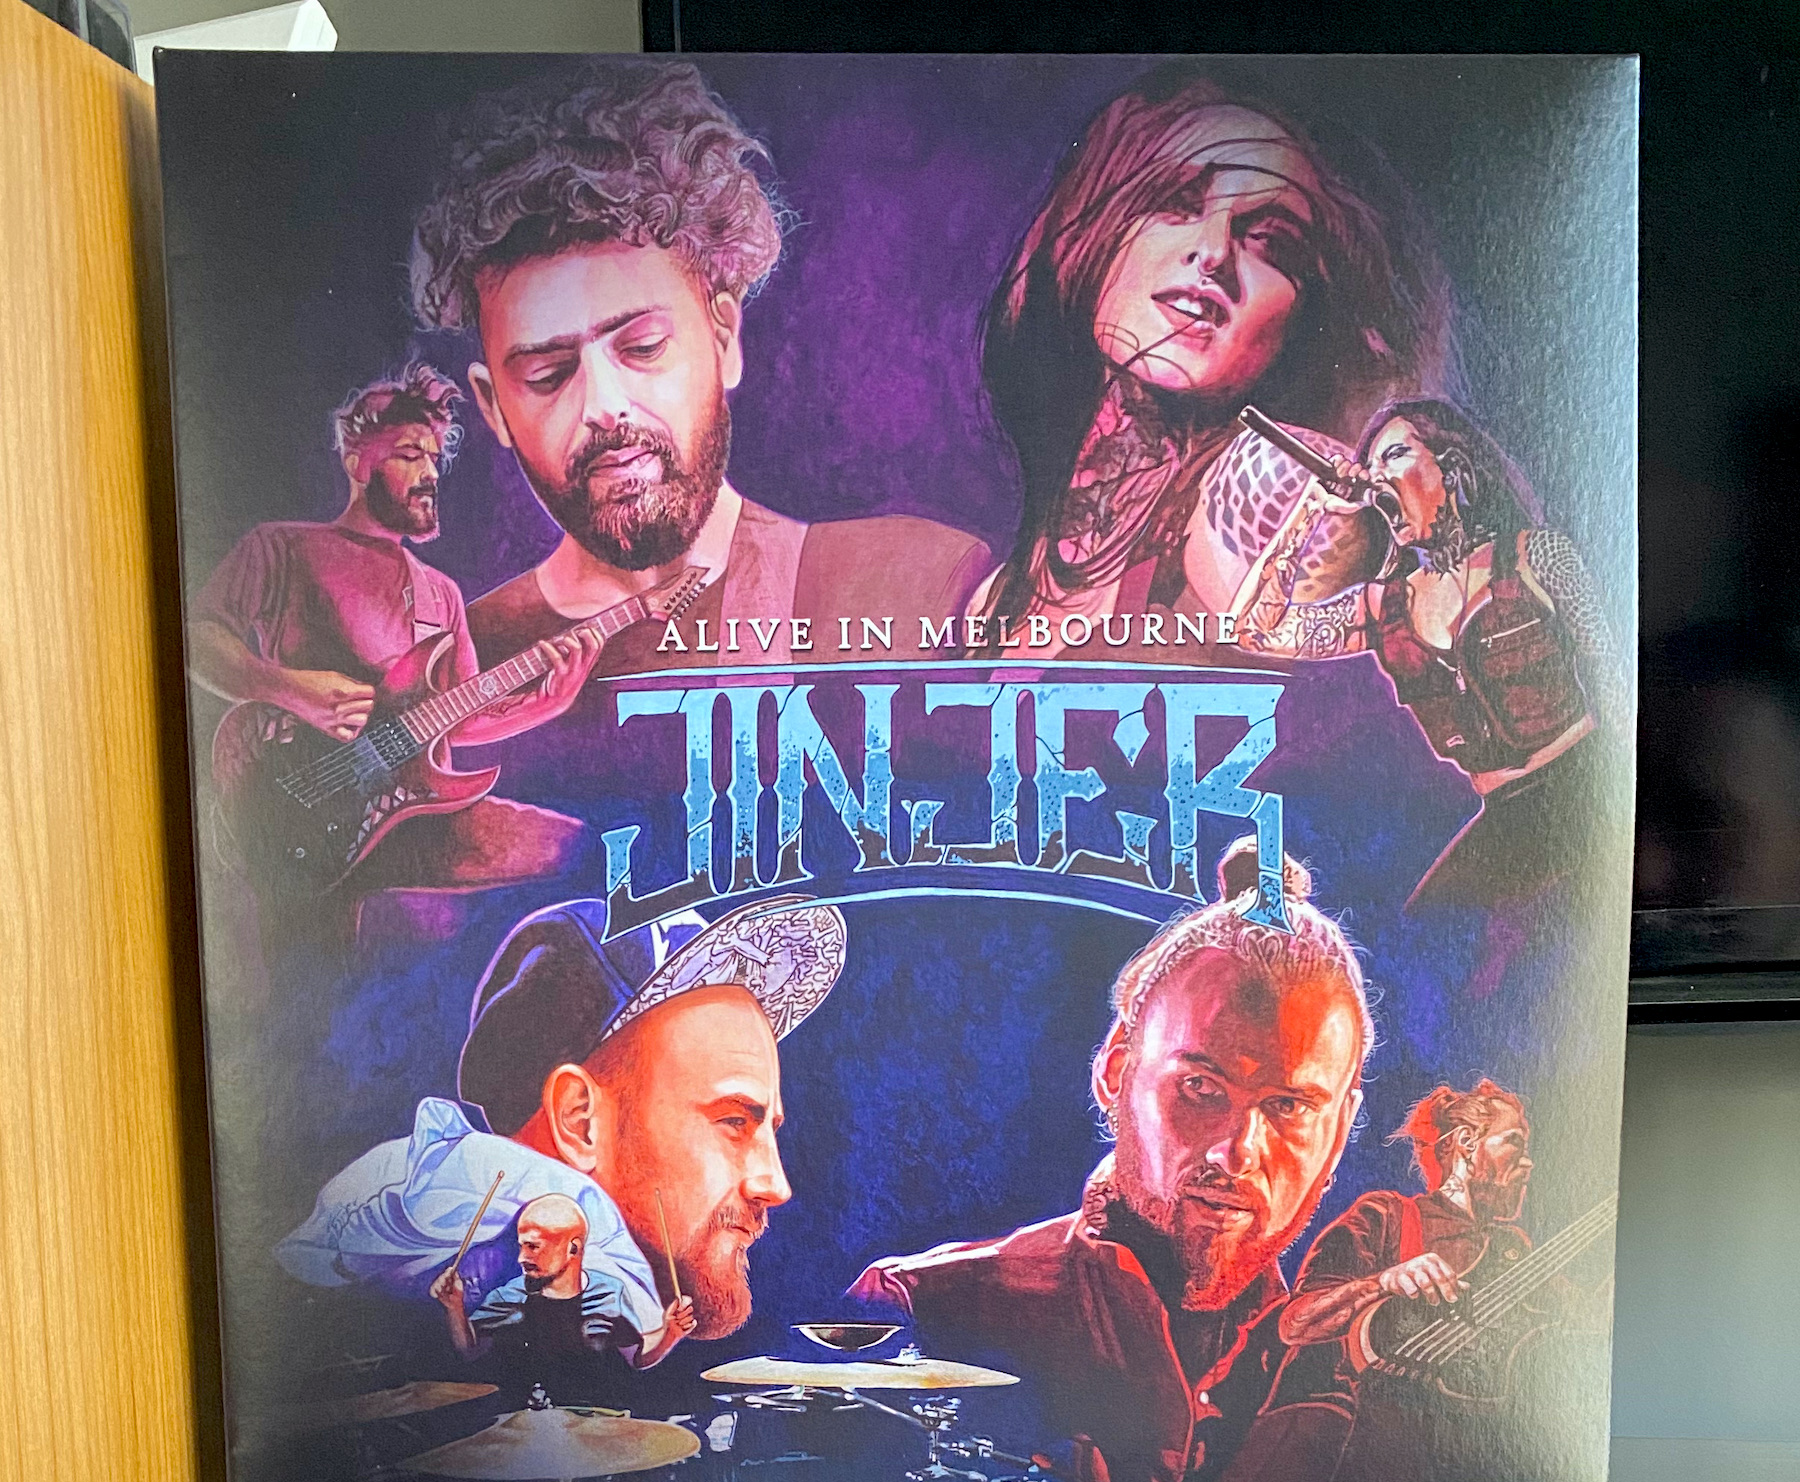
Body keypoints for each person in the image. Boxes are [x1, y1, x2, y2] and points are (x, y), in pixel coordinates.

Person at [407, 62, 991, 679]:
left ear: (723, 336)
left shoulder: (916, 587)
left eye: (643, 347)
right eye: (549, 374)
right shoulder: (448, 671)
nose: (603, 406)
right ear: (493, 405)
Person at [853, 839, 1371, 1482]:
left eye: (1289, 1106)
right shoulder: (923, 1311)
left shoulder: (1353, 1372)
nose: (1237, 1152)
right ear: (1116, 1070)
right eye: (1201, 1088)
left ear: (1341, 1128)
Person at [979, 64, 1451, 639]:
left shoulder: (1268, 517)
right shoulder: (966, 581)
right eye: (1176, 202)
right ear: (1094, 229)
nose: (1213, 252)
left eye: (1270, 242)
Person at [279, 895, 846, 1345]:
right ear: (580, 1121)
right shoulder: (407, 1266)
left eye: (768, 1130)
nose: (775, 1185)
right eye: (734, 1121)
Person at [187, 361, 603, 923]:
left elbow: (456, 720)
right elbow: (199, 639)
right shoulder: (282, 548)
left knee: (580, 848)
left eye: (434, 458)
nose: (430, 472)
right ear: (358, 462)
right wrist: (290, 690)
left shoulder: (441, 593)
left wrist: (545, 704)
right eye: (410, 455)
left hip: (418, 817)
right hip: (303, 814)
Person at [1236, 399, 1628, 913]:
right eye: (1370, 467)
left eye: (1394, 455)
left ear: (1453, 466)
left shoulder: (1537, 556)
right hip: (1504, 815)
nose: (1376, 478)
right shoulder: (1389, 607)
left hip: (1582, 792)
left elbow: (1617, 685)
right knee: (1426, 925)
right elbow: (1253, 631)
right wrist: (1314, 507)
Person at [1214, 1078, 1582, 1482]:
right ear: (1466, 1143)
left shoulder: (1511, 1249)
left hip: (1442, 1469)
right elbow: (1296, 1322)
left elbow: (1582, 1317)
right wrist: (1382, 1281)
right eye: (1514, 1142)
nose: (1528, 1163)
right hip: (1333, 1463)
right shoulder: (1385, 1215)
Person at [429, 1192, 695, 1369]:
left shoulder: (609, 1294)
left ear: (572, 1249)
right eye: (522, 1246)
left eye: (533, 1247)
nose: (522, 1257)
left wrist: (670, 1334)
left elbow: (635, 1357)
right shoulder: (508, 1297)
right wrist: (455, 1308)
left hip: (595, 1428)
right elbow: (469, 1350)